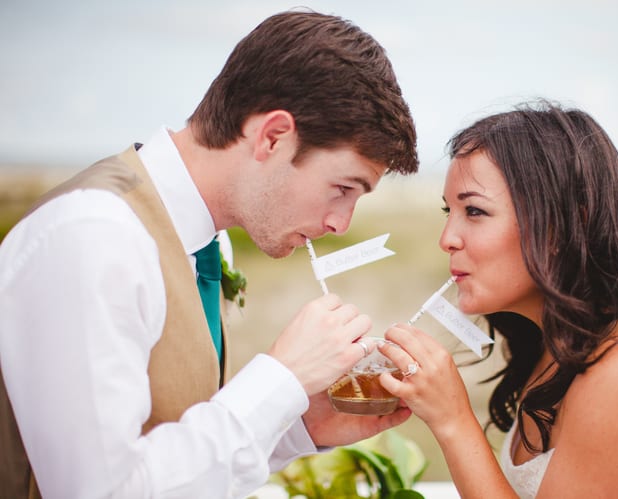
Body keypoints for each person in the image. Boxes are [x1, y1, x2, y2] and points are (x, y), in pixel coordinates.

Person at [0, 10, 418, 499]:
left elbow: (163, 447)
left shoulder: (202, 242)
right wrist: (280, 379)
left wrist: (296, 427)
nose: (339, 224)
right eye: (342, 188)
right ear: (273, 136)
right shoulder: (94, 237)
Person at [379, 101, 618, 498]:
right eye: (447, 211)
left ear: (560, 227)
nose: (446, 239)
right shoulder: (556, 345)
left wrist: (452, 419)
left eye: (474, 211)